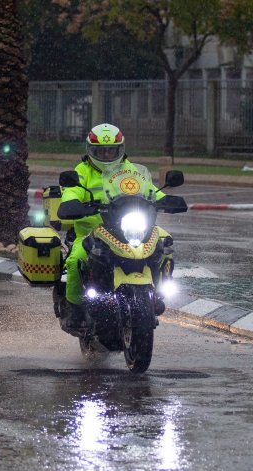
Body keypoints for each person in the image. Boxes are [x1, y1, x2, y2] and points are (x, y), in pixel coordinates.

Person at [58, 123, 170, 332]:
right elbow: (71, 192)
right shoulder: (82, 172)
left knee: (164, 246)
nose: (107, 155)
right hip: (91, 231)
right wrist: (71, 203)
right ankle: (74, 308)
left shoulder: (131, 170)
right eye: (101, 151)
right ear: (90, 150)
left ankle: (157, 295)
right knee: (74, 260)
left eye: (111, 150)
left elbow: (151, 190)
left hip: (127, 229)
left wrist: (167, 199)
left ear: (121, 149)